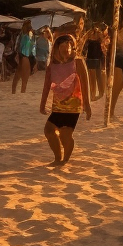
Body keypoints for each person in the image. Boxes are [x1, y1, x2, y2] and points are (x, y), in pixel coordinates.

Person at [39, 34, 91, 166]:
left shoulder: (77, 62)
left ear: (73, 48)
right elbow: (46, 86)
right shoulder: (52, 66)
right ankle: (57, 158)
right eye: (62, 47)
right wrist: (42, 104)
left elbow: (85, 84)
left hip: (73, 106)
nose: (66, 50)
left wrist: (87, 105)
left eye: (68, 47)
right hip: (57, 105)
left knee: (65, 135)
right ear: (56, 49)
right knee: (49, 131)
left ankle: (65, 159)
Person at [13, 20, 37, 94]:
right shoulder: (30, 35)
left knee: (18, 75)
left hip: (23, 55)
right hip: (27, 55)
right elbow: (33, 47)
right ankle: (22, 92)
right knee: (24, 77)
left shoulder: (21, 35)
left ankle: (13, 91)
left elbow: (17, 46)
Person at [83, 23, 104, 100]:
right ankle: (93, 94)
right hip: (91, 58)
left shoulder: (99, 36)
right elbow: (85, 42)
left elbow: (102, 42)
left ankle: (99, 93)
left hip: (96, 57)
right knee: (92, 77)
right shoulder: (89, 36)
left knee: (98, 76)